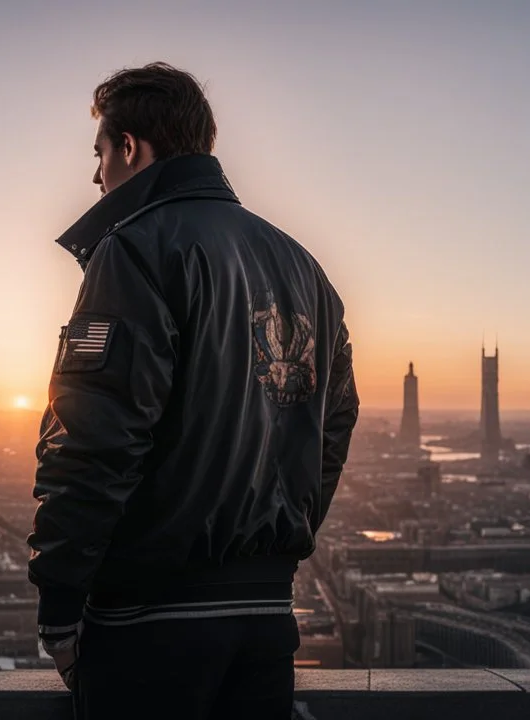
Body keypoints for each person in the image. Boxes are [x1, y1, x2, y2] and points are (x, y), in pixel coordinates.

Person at [28, 62, 359, 720]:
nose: (95, 177)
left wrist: (60, 610)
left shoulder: (136, 249)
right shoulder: (304, 266)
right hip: (265, 622)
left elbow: (93, 438)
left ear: (129, 148)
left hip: (148, 623)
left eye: (98, 153)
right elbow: (333, 426)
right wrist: (272, 549)